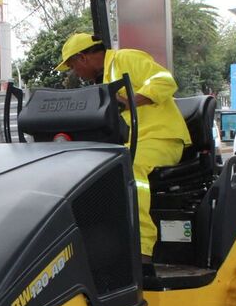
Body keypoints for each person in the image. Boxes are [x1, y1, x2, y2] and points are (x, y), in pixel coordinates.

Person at [56, 32, 192, 258]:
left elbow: (165, 80)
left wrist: (131, 101)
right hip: (129, 143)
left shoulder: (125, 59)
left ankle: (142, 248)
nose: (75, 73)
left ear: (83, 58)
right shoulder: (101, 83)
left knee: (130, 167)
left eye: (72, 66)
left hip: (161, 139)